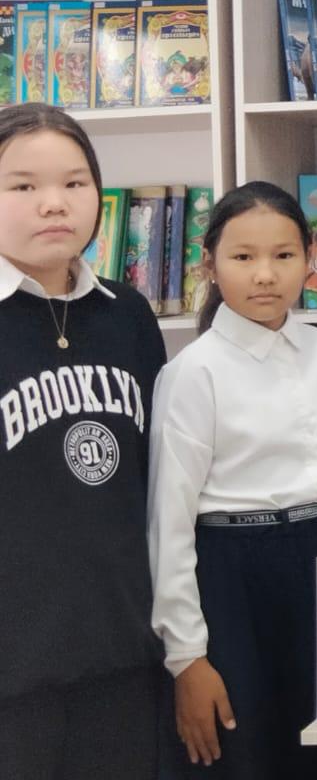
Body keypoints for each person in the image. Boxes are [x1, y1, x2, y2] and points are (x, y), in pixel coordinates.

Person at [147, 182, 317, 777]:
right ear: (209, 264)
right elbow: (169, 523)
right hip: (232, 576)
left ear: (310, 258)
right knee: (247, 751)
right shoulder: (193, 373)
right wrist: (186, 657)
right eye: (242, 256)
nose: (265, 275)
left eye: (283, 255)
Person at [0, 105, 168, 780]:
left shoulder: (128, 315)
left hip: (122, 654)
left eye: (74, 182)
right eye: (22, 185)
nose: (54, 203)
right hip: (13, 672)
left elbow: (155, 479)